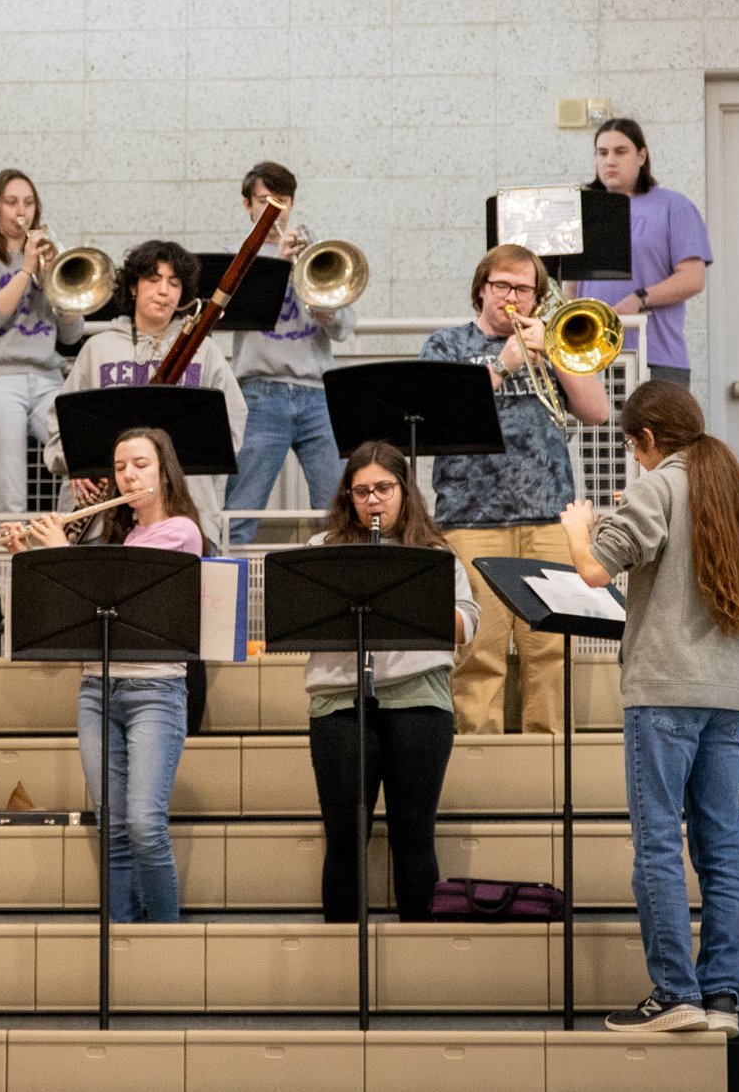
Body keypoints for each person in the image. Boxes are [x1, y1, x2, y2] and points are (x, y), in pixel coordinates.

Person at [559, 379, 739, 1037]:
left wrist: (580, 529)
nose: (635, 456)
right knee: (722, 848)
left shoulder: (657, 487)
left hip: (664, 692)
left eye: (633, 445)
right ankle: (722, 997)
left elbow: (595, 571)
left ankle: (675, 991)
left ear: (648, 438)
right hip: (729, 694)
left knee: (658, 843)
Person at [6, 427, 200, 922]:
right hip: (97, 689)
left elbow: (130, 591)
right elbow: (75, 605)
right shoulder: (118, 535)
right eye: (120, 467)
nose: (128, 475)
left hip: (154, 689)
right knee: (112, 829)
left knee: (144, 825)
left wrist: (60, 551)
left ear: (164, 471)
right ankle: (122, 942)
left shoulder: (180, 531)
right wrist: (28, 558)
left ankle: (164, 942)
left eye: (140, 464)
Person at [422, 244, 611, 735]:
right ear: (481, 289)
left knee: (550, 650)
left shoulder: (552, 343)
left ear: (537, 296)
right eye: (501, 285)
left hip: (550, 516)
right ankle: (480, 757)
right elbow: (437, 415)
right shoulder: (448, 345)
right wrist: (504, 363)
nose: (511, 297)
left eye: (523, 289)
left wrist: (555, 353)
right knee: (478, 652)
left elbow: (596, 412)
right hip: (471, 519)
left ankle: (546, 758)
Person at [303, 440, 478, 922]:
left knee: (414, 836)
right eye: (361, 492)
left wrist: (410, 599)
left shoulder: (433, 552)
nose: (373, 501)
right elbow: (302, 617)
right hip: (340, 702)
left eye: (383, 489)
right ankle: (342, 955)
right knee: (344, 839)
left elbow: (467, 622)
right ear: (348, 496)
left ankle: (417, 956)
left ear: (404, 490)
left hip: (419, 699)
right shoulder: (322, 551)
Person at [42, 241, 246, 545]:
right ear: (133, 287)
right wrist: (75, 464)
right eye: (153, 279)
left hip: (185, 514)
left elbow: (232, 423)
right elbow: (61, 422)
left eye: (174, 283)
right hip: (101, 520)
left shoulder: (204, 351)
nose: (164, 291)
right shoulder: (98, 348)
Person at [222, 162, 358, 546]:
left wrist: (328, 311)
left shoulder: (315, 252)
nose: (274, 211)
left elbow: (344, 329)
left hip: (317, 394)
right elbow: (236, 313)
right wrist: (278, 266)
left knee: (336, 511)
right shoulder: (236, 256)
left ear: (292, 204)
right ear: (247, 205)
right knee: (242, 510)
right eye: (264, 201)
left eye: (281, 202)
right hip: (261, 392)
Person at [0, 169, 84, 513]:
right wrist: (26, 270)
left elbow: (71, 334)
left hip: (47, 377)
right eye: (11, 202)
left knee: (81, 457)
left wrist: (55, 281)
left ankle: (66, 533)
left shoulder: (48, 261)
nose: (21, 211)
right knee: (8, 490)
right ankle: (7, 544)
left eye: (28, 203)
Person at [573, 118, 712, 389]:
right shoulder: (584, 211)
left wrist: (639, 298)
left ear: (641, 156)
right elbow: (573, 287)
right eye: (602, 153)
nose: (610, 161)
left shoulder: (674, 206)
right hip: (592, 358)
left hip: (656, 357)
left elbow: (693, 279)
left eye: (620, 152)